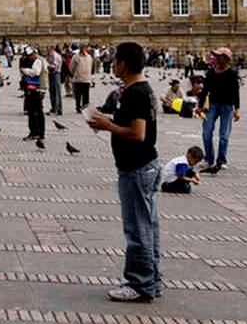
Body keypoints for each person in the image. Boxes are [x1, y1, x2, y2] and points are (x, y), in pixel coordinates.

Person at [86, 41, 161, 303]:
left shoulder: (136, 93)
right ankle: (152, 280)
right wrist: (107, 122)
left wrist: (108, 126)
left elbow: (138, 134)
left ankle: (139, 284)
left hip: (137, 167)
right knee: (148, 226)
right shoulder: (138, 89)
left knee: (138, 229)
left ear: (124, 65)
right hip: (143, 165)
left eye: (116, 60)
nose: (113, 64)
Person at [196, 47, 239, 172]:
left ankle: (221, 160)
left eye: (219, 56)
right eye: (216, 56)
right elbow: (205, 90)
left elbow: (235, 92)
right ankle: (209, 159)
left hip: (227, 106)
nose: (217, 58)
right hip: (213, 105)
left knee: (224, 135)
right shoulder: (211, 72)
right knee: (206, 132)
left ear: (226, 59)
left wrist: (237, 109)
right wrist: (200, 106)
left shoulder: (232, 73)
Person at [18, 47, 46, 141]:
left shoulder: (38, 61)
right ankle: (39, 132)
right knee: (37, 111)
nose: (29, 58)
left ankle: (35, 132)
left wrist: (25, 70)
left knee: (34, 111)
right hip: (36, 89)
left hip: (36, 89)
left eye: (30, 56)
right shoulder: (39, 60)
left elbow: (35, 73)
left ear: (34, 53)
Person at [71, 44, 95, 113]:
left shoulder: (77, 57)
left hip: (81, 78)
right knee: (83, 95)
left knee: (82, 94)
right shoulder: (88, 57)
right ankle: (82, 108)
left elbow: (72, 68)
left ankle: (81, 107)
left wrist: (74, 74)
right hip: (82, 78)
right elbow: (72, 67)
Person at [46, 45, 64, 115]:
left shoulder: (56, 56)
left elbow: (55, 67)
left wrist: (47, 65)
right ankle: (53, 108)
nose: (47, 51)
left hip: (55, 74)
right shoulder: (50, 56)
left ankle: (57, 108)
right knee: (52, 91)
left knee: (56, 92)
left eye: (48, 50)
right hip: (51, 74)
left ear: (52, 49)